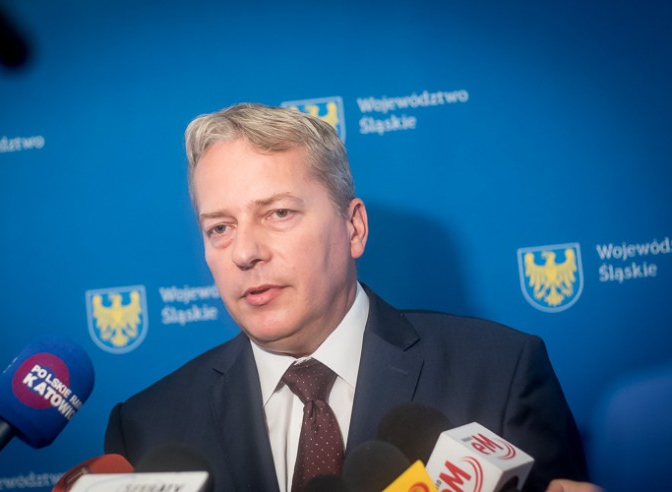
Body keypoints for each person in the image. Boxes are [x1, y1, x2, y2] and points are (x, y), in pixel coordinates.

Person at [104, 103, 599, 492]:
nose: (245, 252)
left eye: (278, 214)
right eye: (220, 228)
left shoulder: (500, 374)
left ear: (354, 227)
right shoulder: (146, 427)